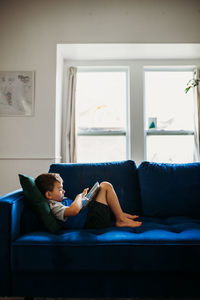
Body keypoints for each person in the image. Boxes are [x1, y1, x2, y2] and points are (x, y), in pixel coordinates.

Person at [35, 173, 142, 230]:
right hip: (93, 222)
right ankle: (121, 220)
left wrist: (84, 199)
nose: (63, 191)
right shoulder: (54, 207)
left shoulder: (59, 200)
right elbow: (74, 210)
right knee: (105, 185)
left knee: (101, 188)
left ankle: (120, 215)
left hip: (90, 216)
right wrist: (78, 197)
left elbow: (77, 208)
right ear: (48, 194)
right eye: (60, 189)